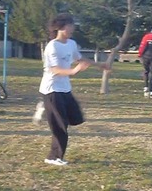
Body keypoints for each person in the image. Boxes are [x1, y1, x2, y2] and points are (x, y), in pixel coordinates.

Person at [38, 13, 109, 166]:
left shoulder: (71, 43)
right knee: (60, 125)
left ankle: (46, 111)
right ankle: (54, 157)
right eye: (71, 26)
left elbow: (80, 59)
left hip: (65, 89)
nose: (73, 29)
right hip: (52, 89)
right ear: (61, 27)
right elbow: (55, 70)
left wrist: (99, 65)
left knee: (76, 117)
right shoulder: (52, 46)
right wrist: (73, 71)